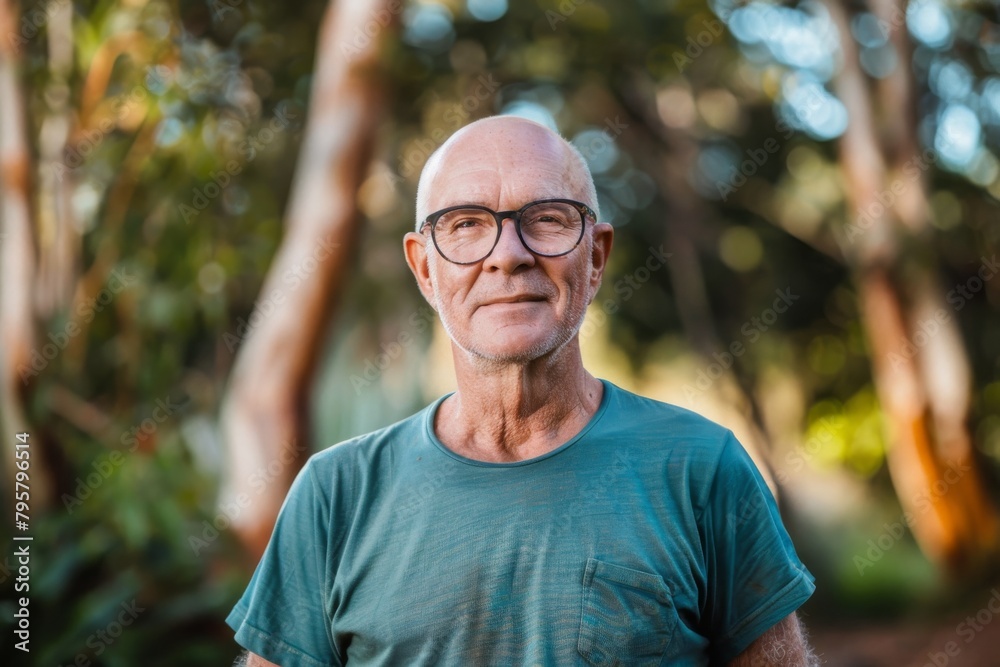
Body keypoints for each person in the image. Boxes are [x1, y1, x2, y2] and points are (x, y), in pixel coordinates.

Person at [227, 115, 818, 666]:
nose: (508, 256)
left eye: (548, 218)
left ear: (596, 256)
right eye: (465, 224)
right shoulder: (336, 495)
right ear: (425, 269)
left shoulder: (701, 470)